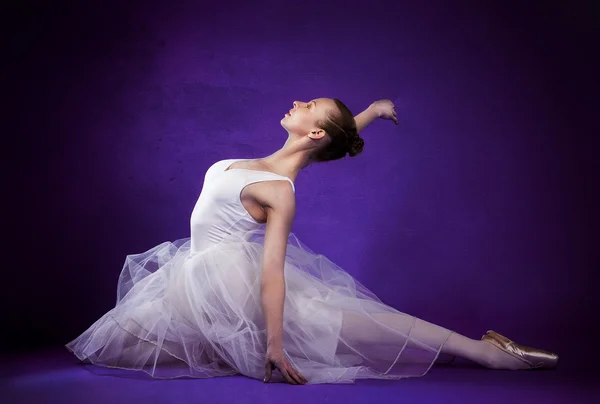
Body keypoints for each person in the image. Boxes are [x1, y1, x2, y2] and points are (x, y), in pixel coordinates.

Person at [66, 98, 558, 385]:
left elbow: (273, 270)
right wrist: (367, 113)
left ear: (316, 128)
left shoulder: (279, 191)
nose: (298, 101)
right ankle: (242, 343)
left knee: (357, 325)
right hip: (198, 281)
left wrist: (277, 346)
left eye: (309, 106)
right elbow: (321, 147)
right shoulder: (272, 164)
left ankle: (487, 352)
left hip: (237, 285)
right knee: (117, 350)